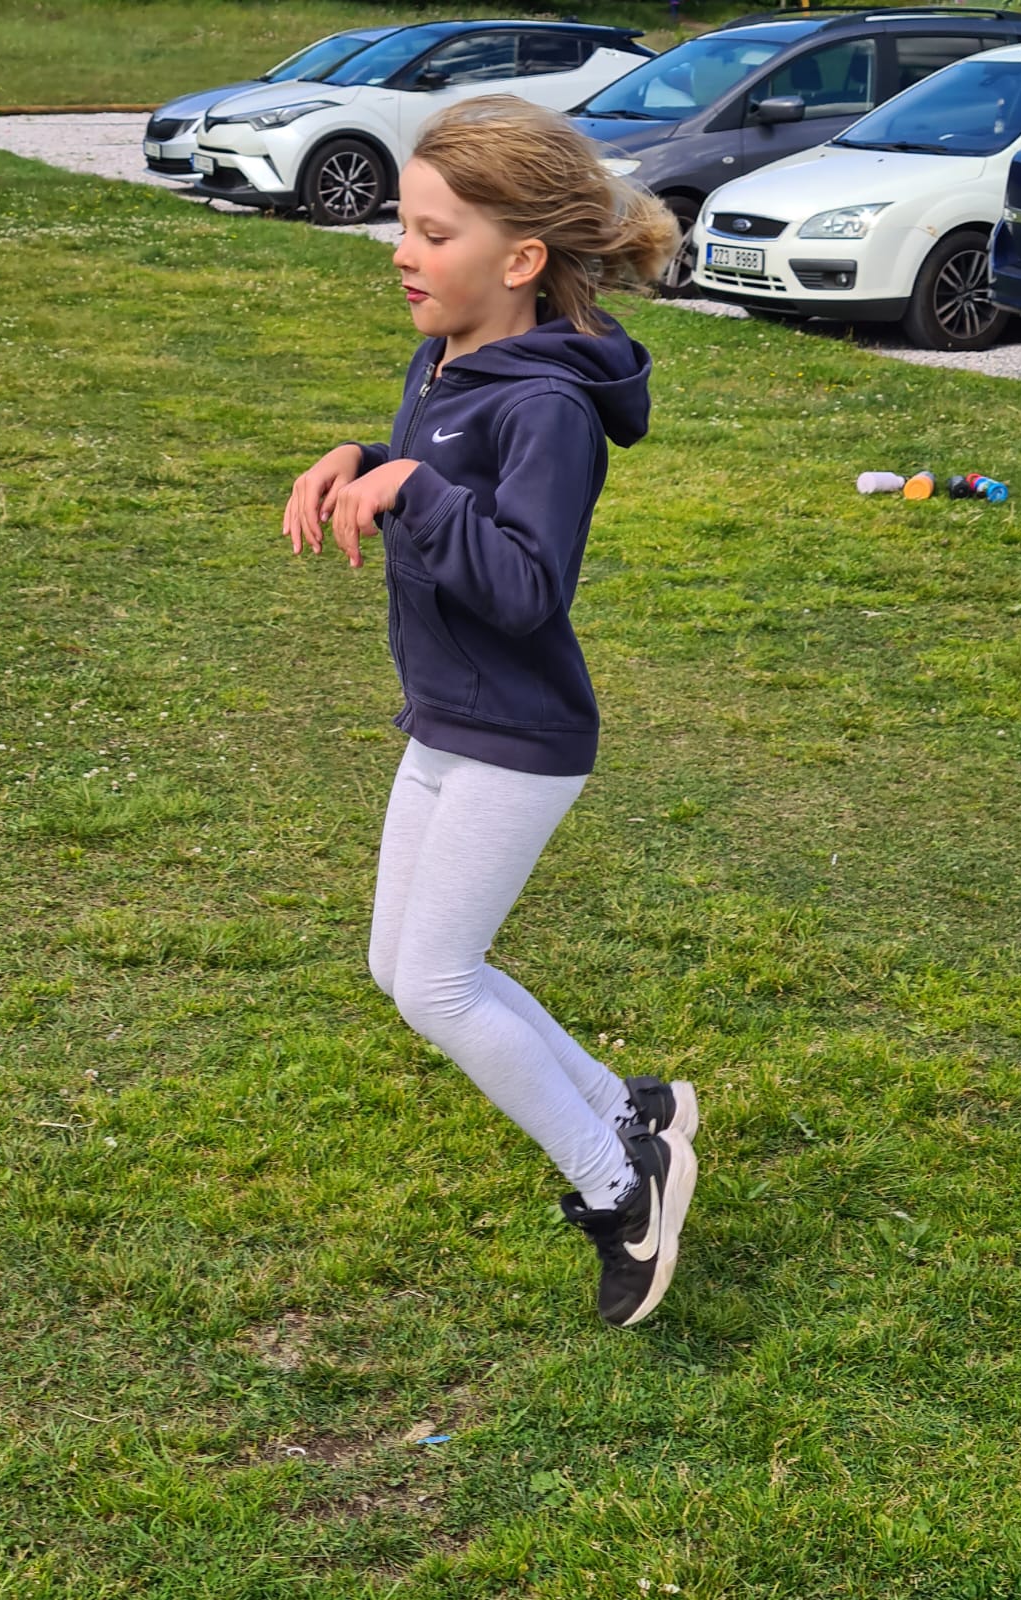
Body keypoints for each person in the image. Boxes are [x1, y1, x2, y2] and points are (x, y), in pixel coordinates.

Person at [282, 96, 697, 1328]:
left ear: (520, 262)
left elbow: (525, 584)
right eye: (403, 227)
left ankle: (624, 1186)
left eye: (432, 233)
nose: (401, 253)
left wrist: (412, 488)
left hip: (519, 737)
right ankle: (633, 1108)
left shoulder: (547, 407)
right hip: (448, 719)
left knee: (438, 982)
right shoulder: (449, 361)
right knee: (399, 966)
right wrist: (364, 458)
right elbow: (439, 474)